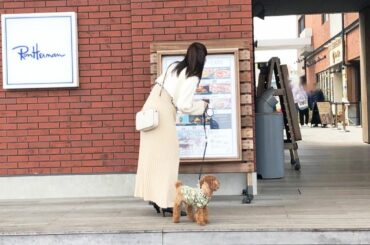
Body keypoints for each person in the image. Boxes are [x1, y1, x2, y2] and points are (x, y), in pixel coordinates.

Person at [134, 42, 208, 216]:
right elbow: (184, 104)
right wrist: (202, 106)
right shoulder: (192, 76)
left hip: (150, 109)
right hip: (164, 113)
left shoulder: (174, 66)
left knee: (151, 157)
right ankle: (167, 202)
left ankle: (154, 196)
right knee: (169, 158)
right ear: (202, 59)